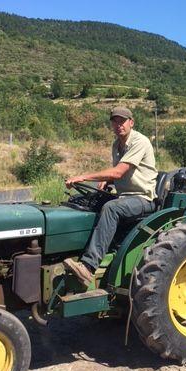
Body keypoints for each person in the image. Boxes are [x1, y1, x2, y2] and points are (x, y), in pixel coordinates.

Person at [64, 106, 158, 285]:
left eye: (122, 121)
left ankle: (88, 267)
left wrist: (85, 176)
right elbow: (123, 174)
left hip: (143, 198)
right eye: (115, 121)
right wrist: (107, 182)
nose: (118, 125)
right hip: (125, 196)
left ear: (131, 122)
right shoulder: (117, 144)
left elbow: (118, 172)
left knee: (111, 208)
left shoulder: (140, 141)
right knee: (84, 202)